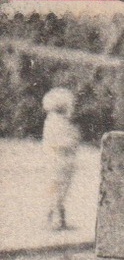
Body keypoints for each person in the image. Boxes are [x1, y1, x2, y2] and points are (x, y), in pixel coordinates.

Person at [43, 85, 80, 231]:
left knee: (61, 190)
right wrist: (74, 138)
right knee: (58, 189)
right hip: (59, 160)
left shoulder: (57, 121)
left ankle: (59, 220)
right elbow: (62, 142)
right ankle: (52, 219)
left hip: (63, 160)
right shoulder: (56, 122)